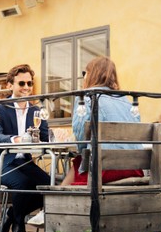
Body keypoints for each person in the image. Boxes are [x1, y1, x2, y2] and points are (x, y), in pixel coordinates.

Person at [0, 64, 50, 232]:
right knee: (24, 184)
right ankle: (19, 226)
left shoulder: (36, 110)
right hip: (0, 163)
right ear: (10, 85)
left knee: (50, 186)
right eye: (21, 83)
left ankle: (11, 215)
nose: (26, 87)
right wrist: (18, 139)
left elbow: (44, 136)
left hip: (23, 162)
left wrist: (52, 137)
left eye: (29, 83)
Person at [61, 57, 144, 186]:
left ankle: (55, 203)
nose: (83, 77)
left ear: (92, 75)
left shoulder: (86, 97)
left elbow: (81, 138)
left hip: (103, 171)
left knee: (80, 161)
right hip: (135, 168)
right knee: (80, 162)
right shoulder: (126, 100)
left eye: (85, 73)